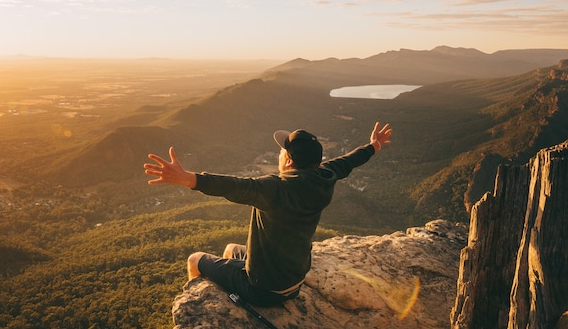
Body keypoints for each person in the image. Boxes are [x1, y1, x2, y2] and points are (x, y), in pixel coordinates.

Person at [144, 122, 393, 307]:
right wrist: (374, 146)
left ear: (289, 161)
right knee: (231, 249)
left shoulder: (276, 189)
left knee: (195, 260)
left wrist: (188, 179)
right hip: (294, 281)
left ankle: (207, 306)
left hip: (264, 289)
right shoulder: (324, 176)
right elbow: (349, 160)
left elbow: (233, 186)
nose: (279, 154)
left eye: (283, 151)